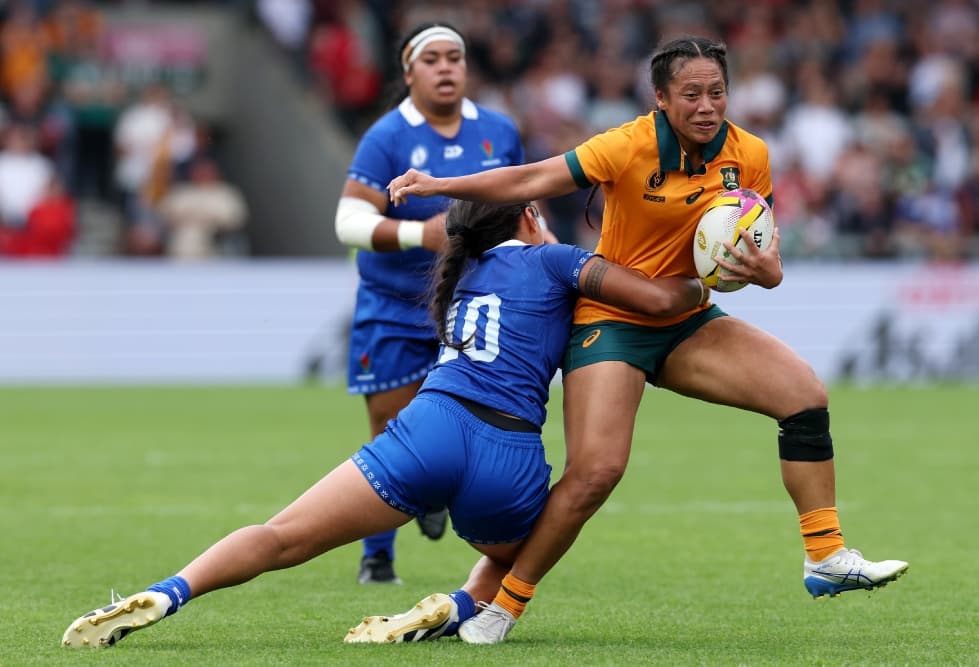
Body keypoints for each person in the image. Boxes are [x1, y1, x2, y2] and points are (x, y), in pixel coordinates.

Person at [385, 35, 909, 644]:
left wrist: (766, 271)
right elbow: (534, 176)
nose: (707, 105)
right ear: (660, 99)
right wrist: (437, 185)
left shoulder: (751, 154)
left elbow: (765, 253)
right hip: (609, 321)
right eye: (691, 94)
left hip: (687, 322)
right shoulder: (627, 145)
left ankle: (825, 556)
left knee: (804, 396)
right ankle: (502, 606)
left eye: (717, 92)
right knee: (596, 472)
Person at [60, 199, 710, 649]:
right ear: (531, 216)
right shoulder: (556, 259)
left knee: (281, 536)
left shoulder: (464, 273)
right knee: (525, 553)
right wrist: (705, 276)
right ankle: (461, 605)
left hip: (428, 424)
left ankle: (169, 592)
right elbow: (653, 299)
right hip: (506, 449)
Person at [333, 21, 535, 584]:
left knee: (482, 414)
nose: (446, 67)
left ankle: (455, 502)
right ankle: (378, 554)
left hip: (474, 298)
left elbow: (520, 206)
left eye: (455, 58)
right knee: (389, 422)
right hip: (396, 302)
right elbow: (347, 220)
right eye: (432, 59)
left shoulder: (498, 132)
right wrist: (415, 235)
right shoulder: (387, 136)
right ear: (409, 72)